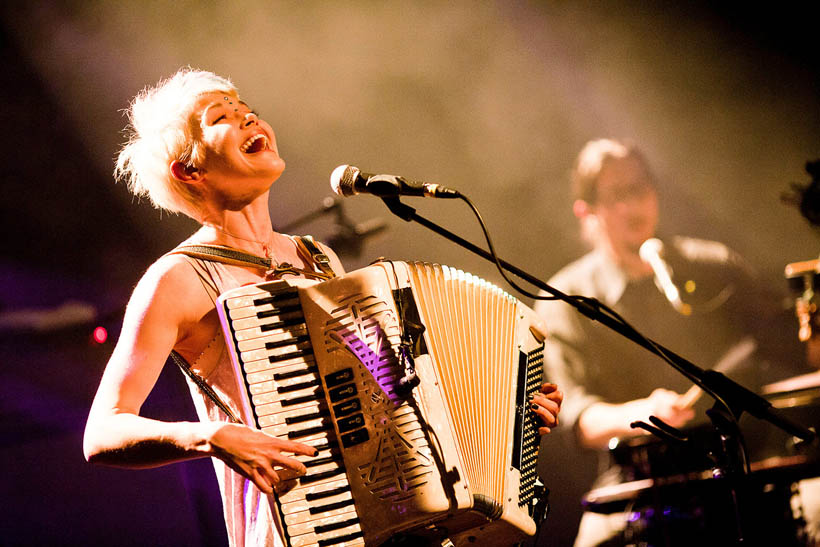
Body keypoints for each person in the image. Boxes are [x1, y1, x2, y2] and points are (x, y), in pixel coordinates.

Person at [83, 68, 563, 547]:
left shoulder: (316, 257)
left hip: (387, 521)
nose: (250, 119)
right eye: (223, 117)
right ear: (190, 171)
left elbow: (383, 393)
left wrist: (510, 408)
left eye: (250, 111)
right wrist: (209, 438)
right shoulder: (177, 279)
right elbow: (104, 430)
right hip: (290, 529)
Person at [534, 138, 805, 546]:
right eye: (617, 195)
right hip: (638, 483)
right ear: (586, 211)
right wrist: (645, 411)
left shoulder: (715, 265)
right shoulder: (566, 296)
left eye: (641, 188)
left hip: (747, 467)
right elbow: (574, 417)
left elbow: (792, 346)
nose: (634, 204)